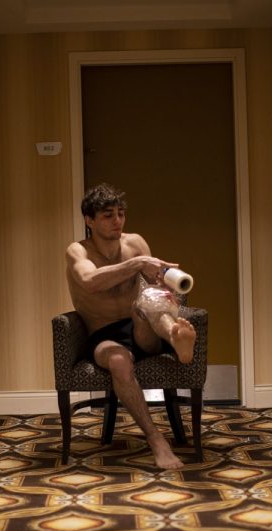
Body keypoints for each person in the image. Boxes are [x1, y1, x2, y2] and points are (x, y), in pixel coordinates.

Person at [65, 183, 197, 469]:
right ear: (89, 220)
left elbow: (156, 287)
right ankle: (156, 440)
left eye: (121, 214)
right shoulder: (78, 251)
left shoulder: (135, 243)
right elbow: (90, 281)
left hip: (143, 328)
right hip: (103, 336)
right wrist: (138, 263)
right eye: (108, 215)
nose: (117, 221)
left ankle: (177, 339)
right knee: (119, 361)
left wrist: (163, 283)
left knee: (149, 300)